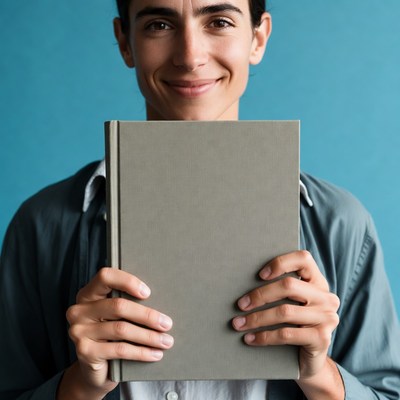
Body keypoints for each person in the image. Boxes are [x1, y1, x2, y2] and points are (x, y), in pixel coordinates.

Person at [0, 0, 399, 399]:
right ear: (125, 42)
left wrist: (323, 377)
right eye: (159, 24)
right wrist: (78, 386)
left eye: (220, 21)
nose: (190, 57)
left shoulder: (340, 223)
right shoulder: (43, 224)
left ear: (257, 38)